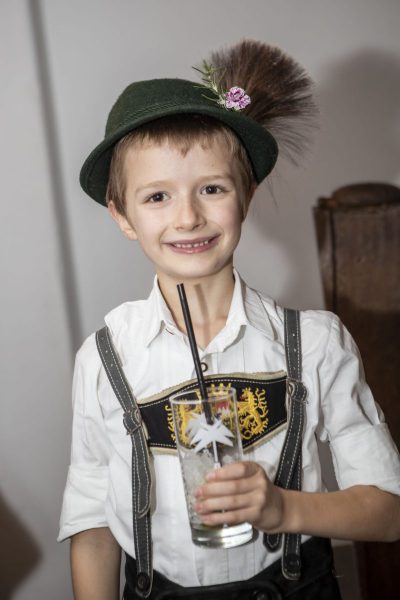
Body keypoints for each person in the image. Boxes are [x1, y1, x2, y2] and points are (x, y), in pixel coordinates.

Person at [58, 40, 400, 600]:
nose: (188, 217)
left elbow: (388, 512)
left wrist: (282, 508)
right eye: (157, 197)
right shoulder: (106, 357)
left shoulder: (313, 343)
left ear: (247, 195)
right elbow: (93, 529)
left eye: (212, 189)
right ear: (122, 216)